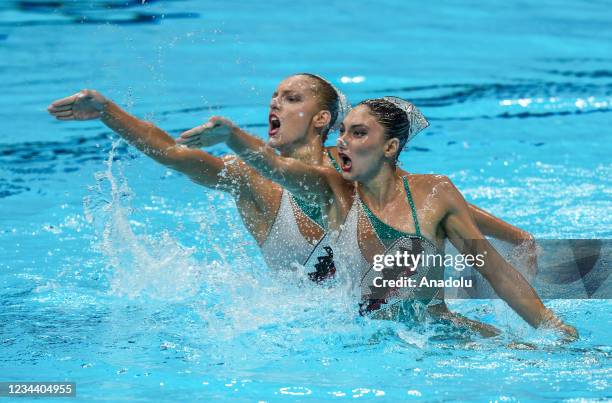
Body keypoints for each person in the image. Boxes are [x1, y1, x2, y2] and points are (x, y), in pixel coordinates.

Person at [47, 74, 535, 276]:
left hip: (389, 302)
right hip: (313, 330)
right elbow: (172, 152)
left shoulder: (350, 169)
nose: (275, 103)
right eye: (274, 98)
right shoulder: (249, 179)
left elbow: (428, 201)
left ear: (323, 119)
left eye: (292, 98)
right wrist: (107, 111)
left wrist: (516, 238)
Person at [188, 97, 577, 340]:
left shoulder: (434, 193)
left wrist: (549, 324)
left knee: (541, 354)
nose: (342, 141)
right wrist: (233, 138)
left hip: (437, 331)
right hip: (366, 339)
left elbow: (492, 268)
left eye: (358, 133)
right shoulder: (332, 189)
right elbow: (275, 167)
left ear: (389, 146)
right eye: (342, 131)